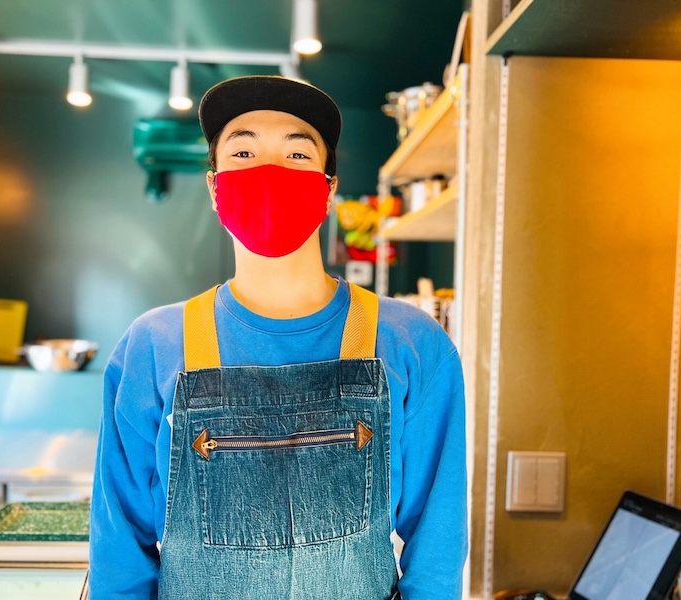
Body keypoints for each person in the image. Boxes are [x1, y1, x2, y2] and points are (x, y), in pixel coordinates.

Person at [89, 75, 467, 599]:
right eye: (243, 153)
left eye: (296, 155)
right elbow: (119, 557)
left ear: (328, 188)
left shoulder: (410, 343)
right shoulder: (151, 348)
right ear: (215, 186)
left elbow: (438, 549)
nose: (269, 173)